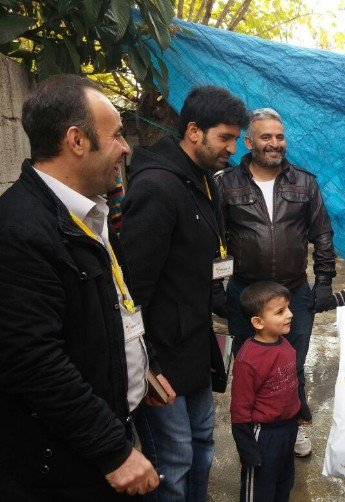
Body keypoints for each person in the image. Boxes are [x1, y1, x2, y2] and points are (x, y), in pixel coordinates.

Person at [0, 74, 170, 501]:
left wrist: (137, 368)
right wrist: (114, 452)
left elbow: (106, 310)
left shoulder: (90, 210)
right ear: (77, 140)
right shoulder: (20, 230)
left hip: (109, 425)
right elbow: (33, 361)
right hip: (65, 464)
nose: (126, 147)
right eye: (115, 135)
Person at [120, 85, 250, 501]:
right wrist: (148, 366)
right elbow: (132, 291)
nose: (233, 148)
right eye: (225, 138)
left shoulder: (202, 182)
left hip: (193, 346)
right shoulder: (158, 187)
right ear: (194, 131)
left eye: (235, 138)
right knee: (173, 462)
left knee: (203, 447)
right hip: (162, 359)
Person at [215, 107, 336, 457]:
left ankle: (297, 423)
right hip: (246, 293)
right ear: (249, 142)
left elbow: (322, 234)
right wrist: (214, 288)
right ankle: (256, 425)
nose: (274, 144)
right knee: (251, 363)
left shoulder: (304, 182)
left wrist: (324, 281)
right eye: (265, 137)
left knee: (292, 363)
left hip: (293, 292)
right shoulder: (225, 184)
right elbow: (214, 240)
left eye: (279, 137)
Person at [231, 282, 301, 502]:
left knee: (284, 483)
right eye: (280, 312)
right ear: (258, 322)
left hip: (288, 429)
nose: (290, 314)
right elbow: (239, 410)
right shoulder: (248, 360)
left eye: (288, 308)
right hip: (264, 436)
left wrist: (302, 408)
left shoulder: (285, 345)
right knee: (260, 490)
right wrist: (248, 450)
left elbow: (293, 380)